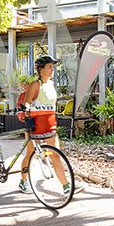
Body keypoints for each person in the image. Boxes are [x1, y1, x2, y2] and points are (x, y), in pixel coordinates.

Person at [18, 55, 79, 196]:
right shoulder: (35, 84)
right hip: (36, 125)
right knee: (30, 154)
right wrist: (26, 108)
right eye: (49, 67)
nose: (53, 70)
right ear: (40, 69)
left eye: (53, 67)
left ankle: (67, 187)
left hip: (50, 125)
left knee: (56, 156)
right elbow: (27, 102)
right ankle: (23, 181)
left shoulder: (51, 85)